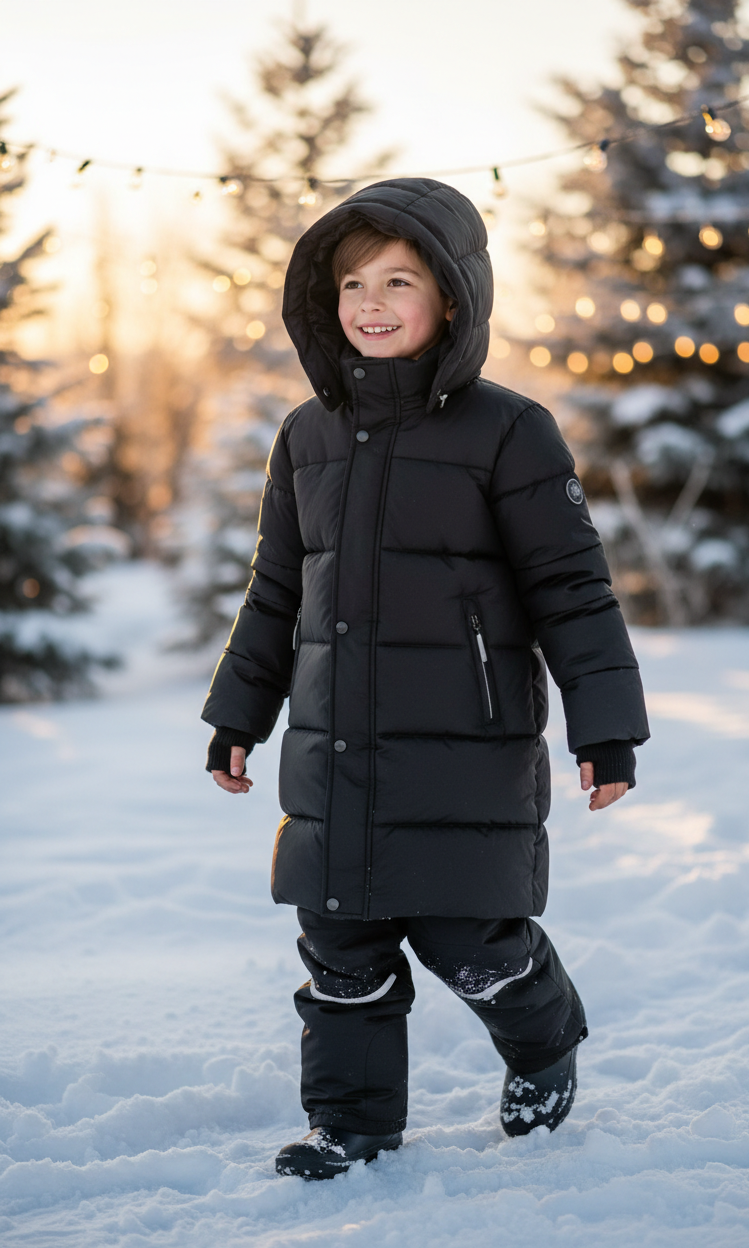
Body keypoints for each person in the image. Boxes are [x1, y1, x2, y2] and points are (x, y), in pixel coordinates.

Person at [202, 178, 649, 1180]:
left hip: (464, 749)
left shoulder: (508, 431)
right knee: (342, 951)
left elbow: (571, 589)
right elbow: (276, 590)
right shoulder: (307, 434)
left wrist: (605, 726)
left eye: (398, 280)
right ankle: (349, 1127)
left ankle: (546, 1040)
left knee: (474, 943)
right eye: (352, 282)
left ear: (451, 297)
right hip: (333, 751)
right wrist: (239, 713)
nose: (370, 301)